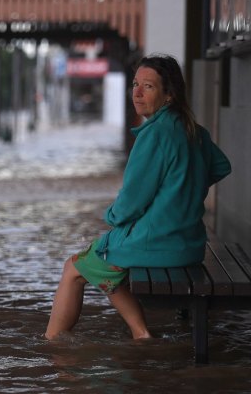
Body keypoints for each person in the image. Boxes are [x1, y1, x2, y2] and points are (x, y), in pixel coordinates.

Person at [45, 53, 232, 340]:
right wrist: (184, 190)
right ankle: (140, 333)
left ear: (169, 95)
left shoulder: (154, 135)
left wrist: (110, 216)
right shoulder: (193, 130)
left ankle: (52, 346)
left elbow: (130, 203)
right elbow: (221, 166)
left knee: (74, 267)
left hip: (157, 243)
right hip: (189, 243)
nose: (137, 92)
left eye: (149, 86)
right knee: (100, 261)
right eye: (135, 84)